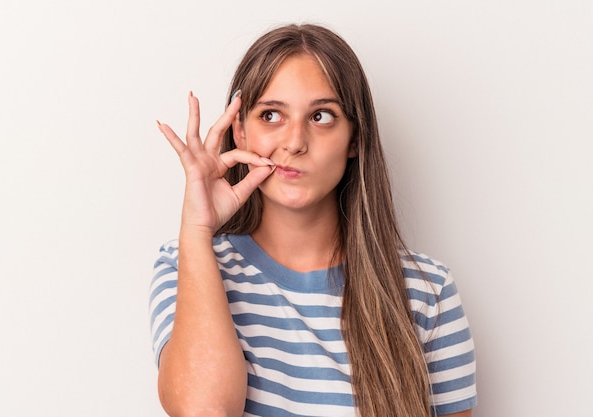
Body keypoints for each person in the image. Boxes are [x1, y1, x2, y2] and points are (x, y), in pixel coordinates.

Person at [149, 23, 476, 417]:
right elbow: (204, 411)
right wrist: (198, 230)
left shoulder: (428, 291)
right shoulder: (185, 264)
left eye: (321, 116)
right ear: (240, 132)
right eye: (271, 115)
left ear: (356, 137)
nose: (294, 142)